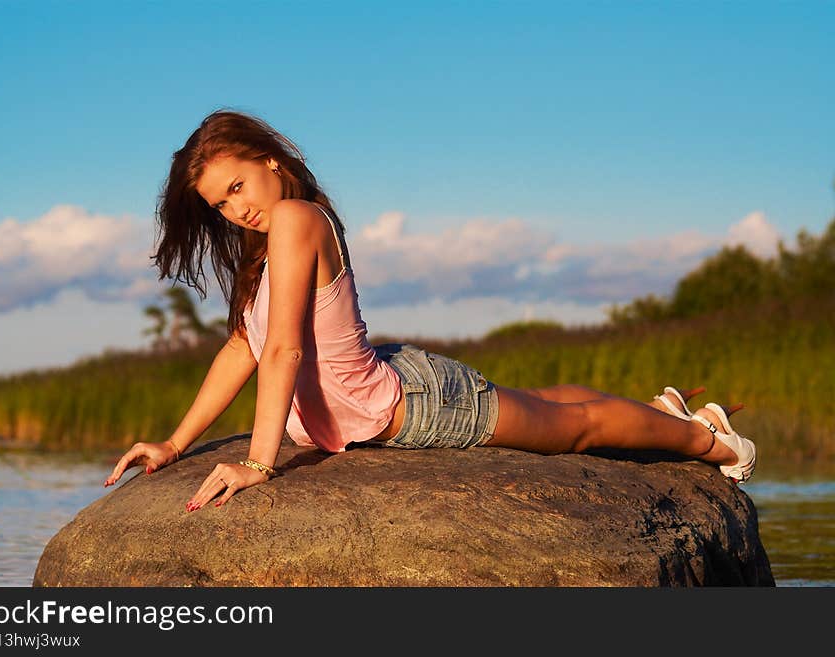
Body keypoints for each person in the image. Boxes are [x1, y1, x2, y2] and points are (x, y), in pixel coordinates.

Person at [103, 110, 757, 510]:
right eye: (220, 203)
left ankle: (709, 438)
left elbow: (284, 350)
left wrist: (258, 462)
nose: (235, 208)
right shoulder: (266, 248)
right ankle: (661, 411)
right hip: (385, 387)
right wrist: (174, 443)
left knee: (576, 427)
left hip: (415, 406)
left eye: (238, 186)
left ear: (271, 161)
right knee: (545, 402)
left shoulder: (298, 218)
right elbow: (245, 347)